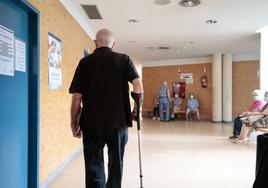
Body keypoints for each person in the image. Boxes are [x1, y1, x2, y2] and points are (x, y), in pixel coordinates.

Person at [69, 28, 143, 188]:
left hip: (91, 122)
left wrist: (73, 121)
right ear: (113, 44)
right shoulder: (124, 59)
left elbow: (77, 96)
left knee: (93, 165)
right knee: (116, 162)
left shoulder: (85, 62)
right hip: (118, 122)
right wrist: (137, 110)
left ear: (95, 42)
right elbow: (137, 83)